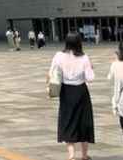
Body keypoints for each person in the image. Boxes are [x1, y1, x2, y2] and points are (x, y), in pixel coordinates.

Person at [49, 32, 95, 160]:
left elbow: (52, 71)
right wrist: (91, 68)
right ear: (79, 43)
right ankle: (84, 155)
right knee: (83, 122)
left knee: (68, 121)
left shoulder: (59, 56)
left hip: (66, 92)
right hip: (81, 91)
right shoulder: (84, 57)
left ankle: (71, 155)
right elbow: (90, 78)